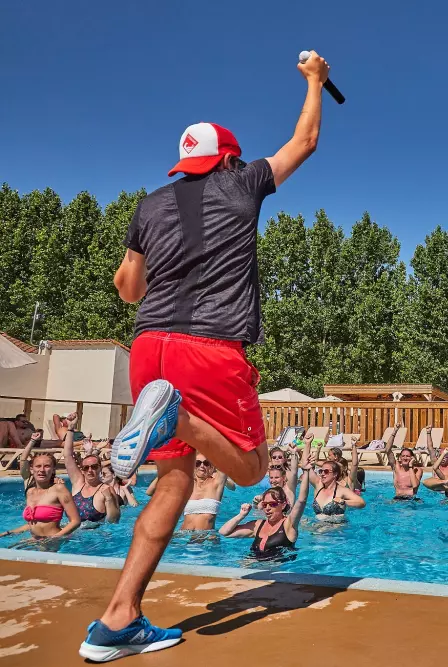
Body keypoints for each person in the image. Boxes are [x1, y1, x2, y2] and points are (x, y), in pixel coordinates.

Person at [79, 52, 333, 662]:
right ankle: (175, 417)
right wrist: (315, 81)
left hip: (149, 347)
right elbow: (306, 140)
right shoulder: (242, 181)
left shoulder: (149, 206)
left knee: (174, 480)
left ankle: (117, 620)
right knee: (249, 469)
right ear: (225, 157)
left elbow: (128, 287)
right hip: (209, 346)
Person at [219, 455, 313, 560]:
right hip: (250, 565)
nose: (267, 508)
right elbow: (224, 532)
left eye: (272, 504)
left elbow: (302, 500)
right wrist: (241, 515)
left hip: (278, 570)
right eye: (264, 505)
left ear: (283, 505)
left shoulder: (288, 525)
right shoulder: (258, 525)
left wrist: (306, 471)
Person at [0, 451, 81, 541]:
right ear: (31, 469)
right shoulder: (30, 492)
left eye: (47, 466)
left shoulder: (59, 489)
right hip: (35, 540)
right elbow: (32, 524)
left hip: (53, 541)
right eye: (38, 466)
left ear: (53, 469)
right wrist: (8, 533)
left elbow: (75, 521)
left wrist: (53, 538)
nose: (42, 470)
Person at [58, 414, 120, 525]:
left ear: (100, 468)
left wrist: (109, 499)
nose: (90, 470)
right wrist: (71, 428)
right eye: (86, 468)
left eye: (94, 467)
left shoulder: (107, 489)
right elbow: (67, 455)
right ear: (82, 470)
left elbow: (113, 521)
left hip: (92, 537)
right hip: (70, 532)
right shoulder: (78, 483)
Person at [147, 454, 234, 530]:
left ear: (211, 467)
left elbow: (224, 458)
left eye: (206, 463)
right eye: (198, 463)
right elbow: (150, 492)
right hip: (184, 537)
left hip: (207, 538)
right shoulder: (185, 485)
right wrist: (165, 471)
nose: (202, 466)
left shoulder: (216, 484)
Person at [306, 454, 365, 522]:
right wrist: (307, 444)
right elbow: (306, 467)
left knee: (319, 530)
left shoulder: (342, 490)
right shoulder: (319, 486)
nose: (322, 474)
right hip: (319, 524)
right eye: (320, 471)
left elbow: (362, 502)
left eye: (326, 471)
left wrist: (344, 502)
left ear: (335, 474)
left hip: (336, 527)